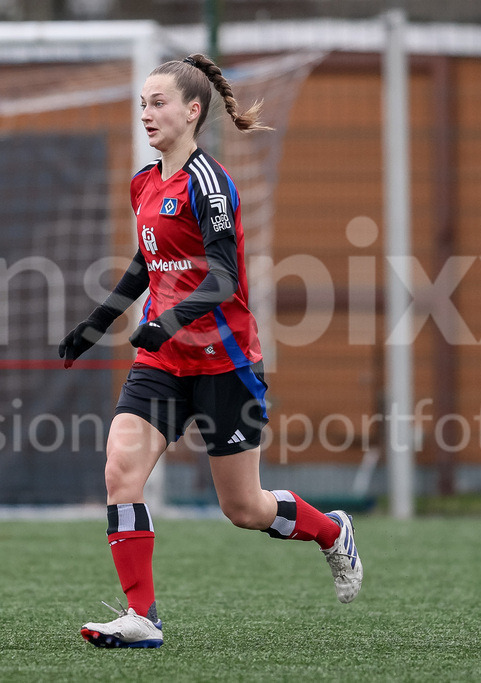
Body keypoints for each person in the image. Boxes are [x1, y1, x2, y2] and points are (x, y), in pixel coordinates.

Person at [59, 53, 363, 649]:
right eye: (143, 103)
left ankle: (330, 532)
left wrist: (168, 320)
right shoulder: (145, 182)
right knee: (121, 471)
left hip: (225, 362)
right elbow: (150, 262)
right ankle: (142, 617)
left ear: (193, 110)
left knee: (244, 508)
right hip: (162, 361)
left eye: (158, 102)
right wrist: (97, 322)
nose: (146, 113)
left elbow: (223, 277)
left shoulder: (210, 181)